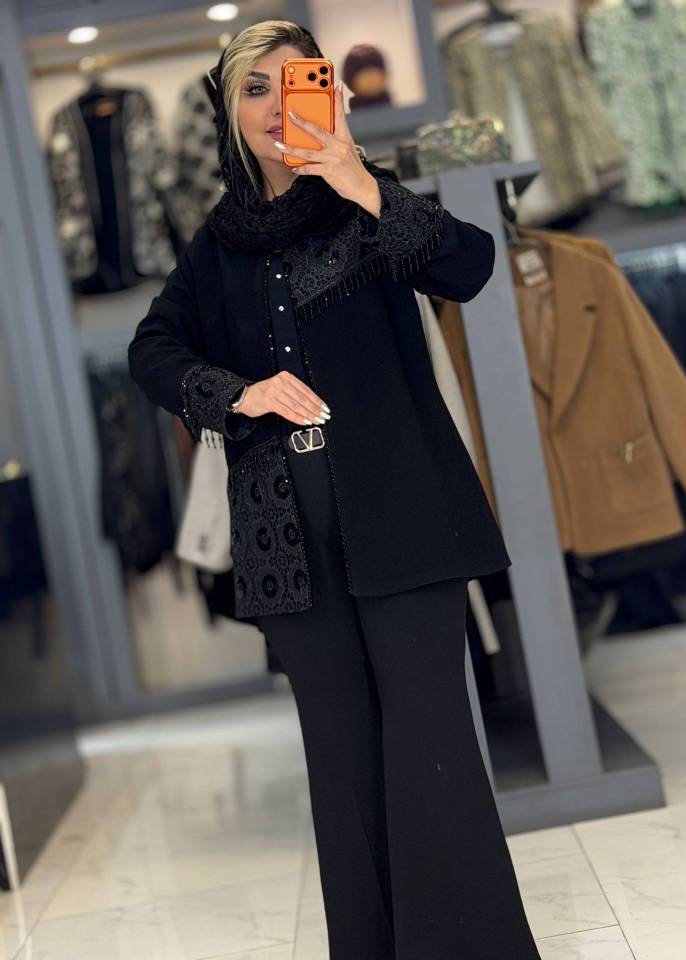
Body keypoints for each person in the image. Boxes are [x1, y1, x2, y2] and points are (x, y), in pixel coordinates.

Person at [128, 19, 541, 960]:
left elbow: (471, 267)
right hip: (287, 537)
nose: (276, 105)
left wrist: (359, 180)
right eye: (254, 88)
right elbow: (152, 349)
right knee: (342, 763)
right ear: (229, 112)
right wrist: (237, 394)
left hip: (405, 512)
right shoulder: (216, 246)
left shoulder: (368, 199)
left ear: (328, 92)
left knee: (432, 747)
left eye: (295, 82)